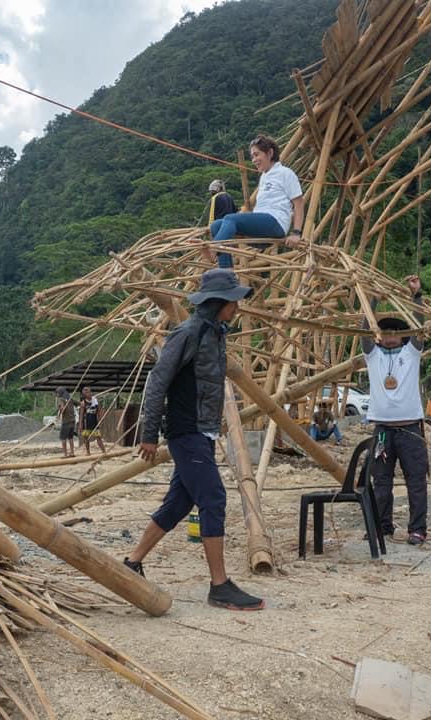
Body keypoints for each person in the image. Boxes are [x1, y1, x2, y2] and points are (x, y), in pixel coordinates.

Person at [124, 269, 264, 610]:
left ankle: (131, 563)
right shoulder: (187, 333)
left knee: (179, 503)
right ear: (220, 303)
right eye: (234, 302)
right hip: (186, 430)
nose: (238, 308)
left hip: (200, 430)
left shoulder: (215, 333)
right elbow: (157, 382)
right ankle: (219, 585)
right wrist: (149, 434)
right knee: (213, 498)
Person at [361, 275, 429, 546]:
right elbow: (365, 328)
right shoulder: (372, 354)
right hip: (382, 431)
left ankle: (417, 529)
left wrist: (416, 297)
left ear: (403, 335)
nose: (390, 336)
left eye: (395, 332)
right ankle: (382, 527)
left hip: (410, 429)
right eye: (385, 332)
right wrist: (374, 299)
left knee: (416, 482)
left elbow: (419, 325)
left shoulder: (411, 353)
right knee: (381, 482)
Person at [205, 135, 305, 268]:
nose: (254, 160)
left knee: (230, 219)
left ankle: (213, 250)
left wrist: (296, 233)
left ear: (270, 153)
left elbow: (299, 203)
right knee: (216, 226)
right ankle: (226, 273)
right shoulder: (264, 177)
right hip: (261, 229)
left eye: (257, 155)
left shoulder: (285, 173)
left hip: (275, 224)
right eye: (252, 156)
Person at [79, 387, 107, 455]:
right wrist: (80, 424)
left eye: (89, 392)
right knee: (86, 438)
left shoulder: (95, 401)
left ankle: (104, 451)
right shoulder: (83, 403)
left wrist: (100, 419)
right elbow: (81, 415)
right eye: (87, 392)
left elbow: (98, 411)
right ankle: (88, 452)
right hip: (86, 422)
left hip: (94, 422)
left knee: (98, 437)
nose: (89, 393)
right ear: (85, 394)